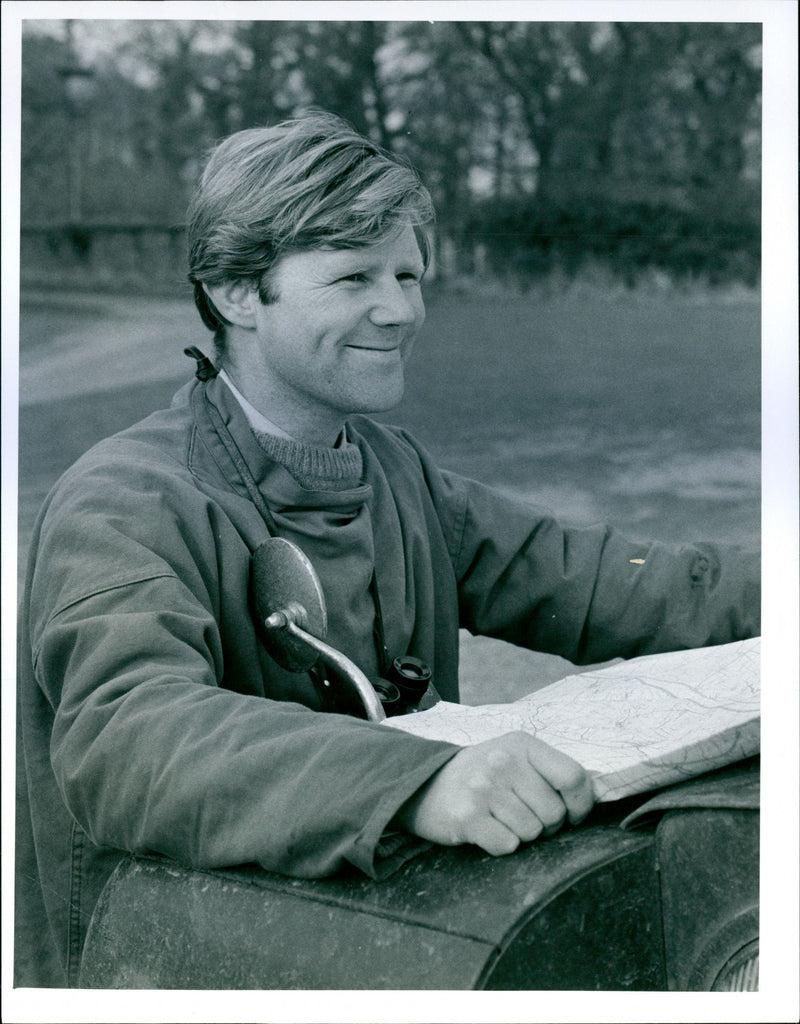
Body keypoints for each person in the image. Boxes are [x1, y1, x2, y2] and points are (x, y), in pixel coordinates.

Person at [15, 111, 760, 987]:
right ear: (236, 293)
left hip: (390, 938)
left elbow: (605, 581)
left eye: (409, 273)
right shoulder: (126, 498)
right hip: (173, 964)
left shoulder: (391, 468)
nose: (401, 308)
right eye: (354, 276)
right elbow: (126, 738)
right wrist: (415, 782)